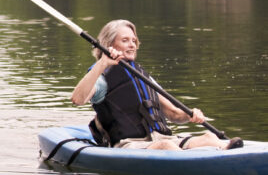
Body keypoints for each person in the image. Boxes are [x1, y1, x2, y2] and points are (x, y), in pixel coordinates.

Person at [71, 19, 242, 150]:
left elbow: (173, 113)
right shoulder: (101, 76)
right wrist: (103, 63)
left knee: (208, 137)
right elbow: (78, 99)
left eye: (133, 40)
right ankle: (192, 165)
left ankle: (228, 153)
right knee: (167, 147)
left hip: (160, 139)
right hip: (129, 145)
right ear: (109, 45)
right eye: (125, 40)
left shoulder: (141, 76)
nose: (132, 45)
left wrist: (190, 115)